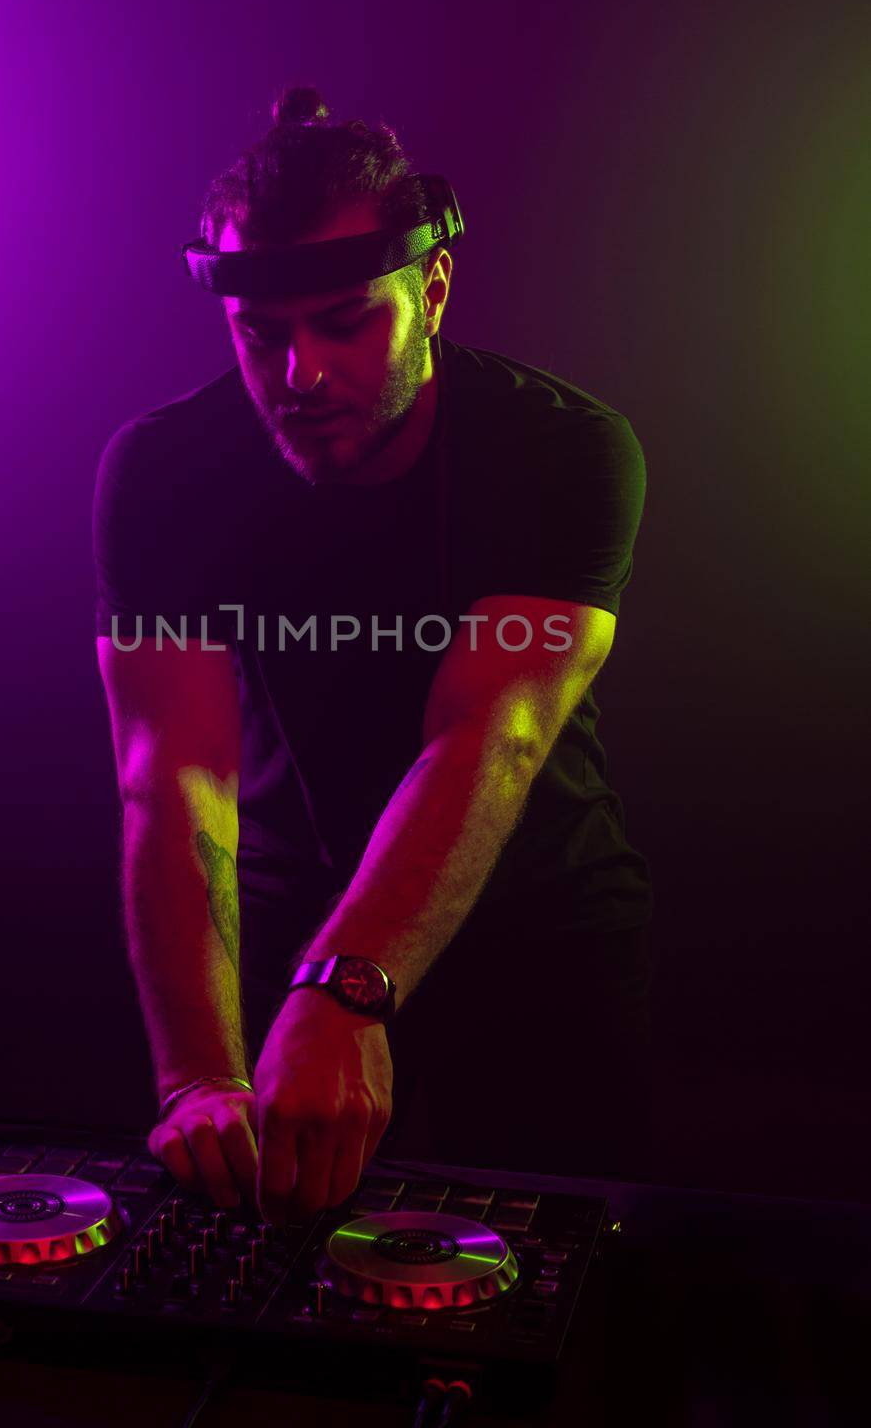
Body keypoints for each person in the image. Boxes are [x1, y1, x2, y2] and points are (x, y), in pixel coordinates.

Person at [92, 86, 653, 1226]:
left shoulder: (564, 451)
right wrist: (197, 1073)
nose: (299, 374)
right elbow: (172, 773)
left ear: (430, 291)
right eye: (263, 332)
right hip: (278, 945)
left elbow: (487, 738)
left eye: (344, 321)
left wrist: (346, 991)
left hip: (538, 941)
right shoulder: (161, 474)